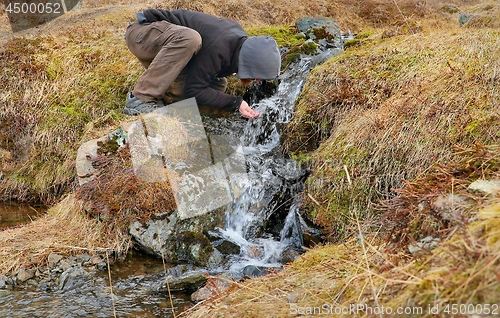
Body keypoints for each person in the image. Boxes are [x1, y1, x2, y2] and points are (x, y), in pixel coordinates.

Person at [124, 9, 281, 119]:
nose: (258, 80)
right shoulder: (221, 45)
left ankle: (165, 104)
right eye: (260, 75)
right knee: (190, 38)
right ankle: (141, 98)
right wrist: (236, 103)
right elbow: (195, 89)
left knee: (217, 84)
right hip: (144, 33)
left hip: (165, 44)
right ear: (253, 62)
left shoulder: (236, 47)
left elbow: (200, 81)